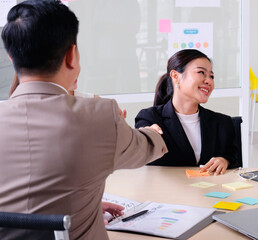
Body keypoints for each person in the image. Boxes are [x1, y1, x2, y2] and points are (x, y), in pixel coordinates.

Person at [0, 1, 167, 240]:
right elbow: (147, 148)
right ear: (71, 55)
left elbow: (22, 204)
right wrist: (152, 131)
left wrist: (81, 206)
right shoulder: (99, 116)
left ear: (11, 57)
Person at [135, 49, 238, 175]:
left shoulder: (222, 123)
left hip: (208, 193)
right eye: (201, 72)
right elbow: (141, 157)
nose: (209, 81)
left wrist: (224, 161)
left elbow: (234, 161)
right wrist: (146, 137)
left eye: (211, 76)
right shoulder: (150, 118)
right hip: (165, 193)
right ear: (176, 76)